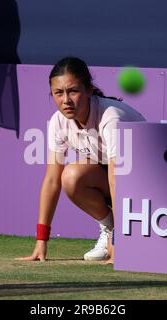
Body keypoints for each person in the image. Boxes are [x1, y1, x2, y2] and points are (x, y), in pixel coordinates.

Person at [17, 57, 146, 264]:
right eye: (58, 93)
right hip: (114, 183)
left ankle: (122, 235)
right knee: (71, 176)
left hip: (145, 185)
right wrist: (41, 241)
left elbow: (117, 179)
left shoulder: (111, 118)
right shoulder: (58, 122)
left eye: (73, 91)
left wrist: (122, 240)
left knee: (80, 169)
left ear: (88, 90)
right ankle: (109, 229)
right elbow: (52, 180)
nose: (66, 100)